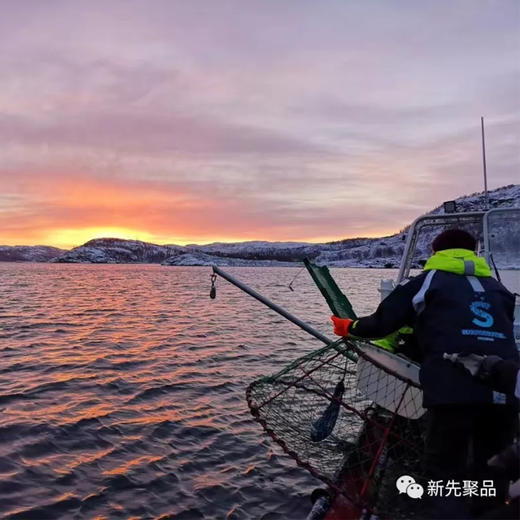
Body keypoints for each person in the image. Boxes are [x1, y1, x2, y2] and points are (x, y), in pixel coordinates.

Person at [331, 228, 519, 519]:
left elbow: (383, 322)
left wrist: (349, 327)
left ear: (436, 253)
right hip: (503, 393)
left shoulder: (429, 280)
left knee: (445, 475)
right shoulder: (498, 288)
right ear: (474, 253)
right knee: (492, 472)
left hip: (451, 391)